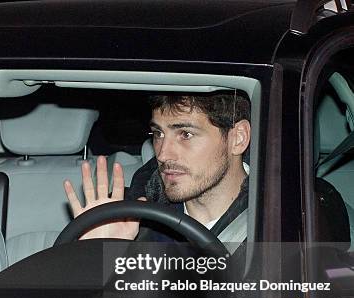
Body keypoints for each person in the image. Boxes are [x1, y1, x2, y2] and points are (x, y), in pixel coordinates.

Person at [63, 91, 251, 242]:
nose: (162, 154)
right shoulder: (129, 220)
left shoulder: (274, 220)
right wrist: (96, 259)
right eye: (158, 134)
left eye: (186, 134)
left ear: (238, 138)